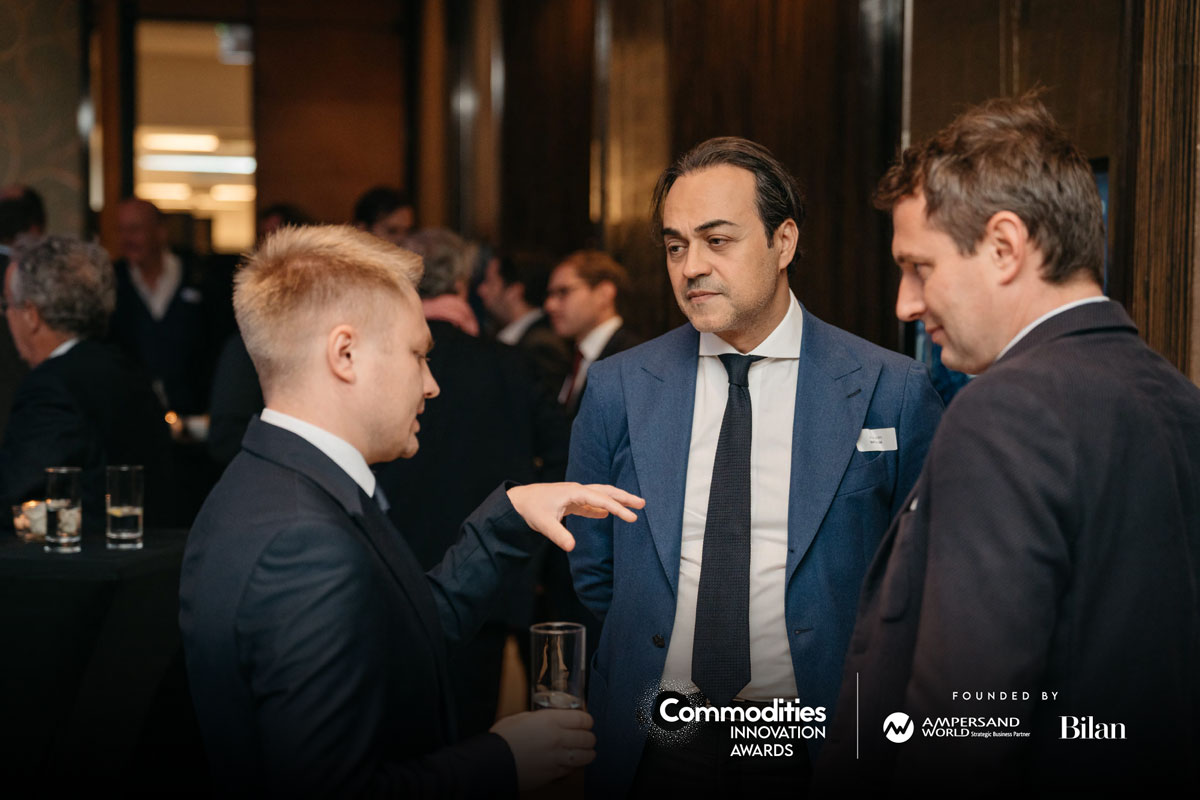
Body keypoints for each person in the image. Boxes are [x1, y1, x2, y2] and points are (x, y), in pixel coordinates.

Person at [819, 95, 1200, 792]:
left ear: (1003, 246)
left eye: (920, 266)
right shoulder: (1180, 400)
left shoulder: (1003, 414)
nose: (905, 303)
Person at [179, 224, 643, 796]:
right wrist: (504, 758)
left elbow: (406, 633)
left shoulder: (269, 479)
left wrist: (512, 512)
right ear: (344, 354)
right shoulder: (302, 541)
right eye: (418, 354)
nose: (431, 384)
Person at [565, 137, 944, 795]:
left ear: (784, 241)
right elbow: (595, 568)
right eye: (676, 246)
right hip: (657, 738)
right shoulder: (618, 387)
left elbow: (922, 576)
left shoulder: (891, 389)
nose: (692, 267)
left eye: (717, 241)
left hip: (817, 738)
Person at [374, 227, 569, 735]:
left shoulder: (379, 364)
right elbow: (562, 455)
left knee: (399, 736)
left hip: (395, 569)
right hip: (488, 576)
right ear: (462, 281)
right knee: (470, 728)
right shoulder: (511, 364)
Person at [0, 236, 173, 535]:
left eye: (7, 305)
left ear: (31, 314)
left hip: (84, 557)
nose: (6, 316)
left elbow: (17, 500)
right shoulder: (127, 368)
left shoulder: (50, 388)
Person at [109, 197, 213, 415]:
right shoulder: (111, 283)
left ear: (160, 231)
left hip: (194, 416)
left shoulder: (198, 277)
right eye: (121, 230)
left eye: (135, 230)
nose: (127, 239)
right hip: (131, 414)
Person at [543, 250, 641, 417]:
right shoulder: (571, 356)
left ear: (604, 294)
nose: (550, 305)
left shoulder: (632, 359)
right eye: (550, 294)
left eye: (563, 292)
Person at [477, 252, 571, 396]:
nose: (481, 290)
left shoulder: (541, 344)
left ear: (514, 291)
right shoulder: (514, 337)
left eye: (490, 282)